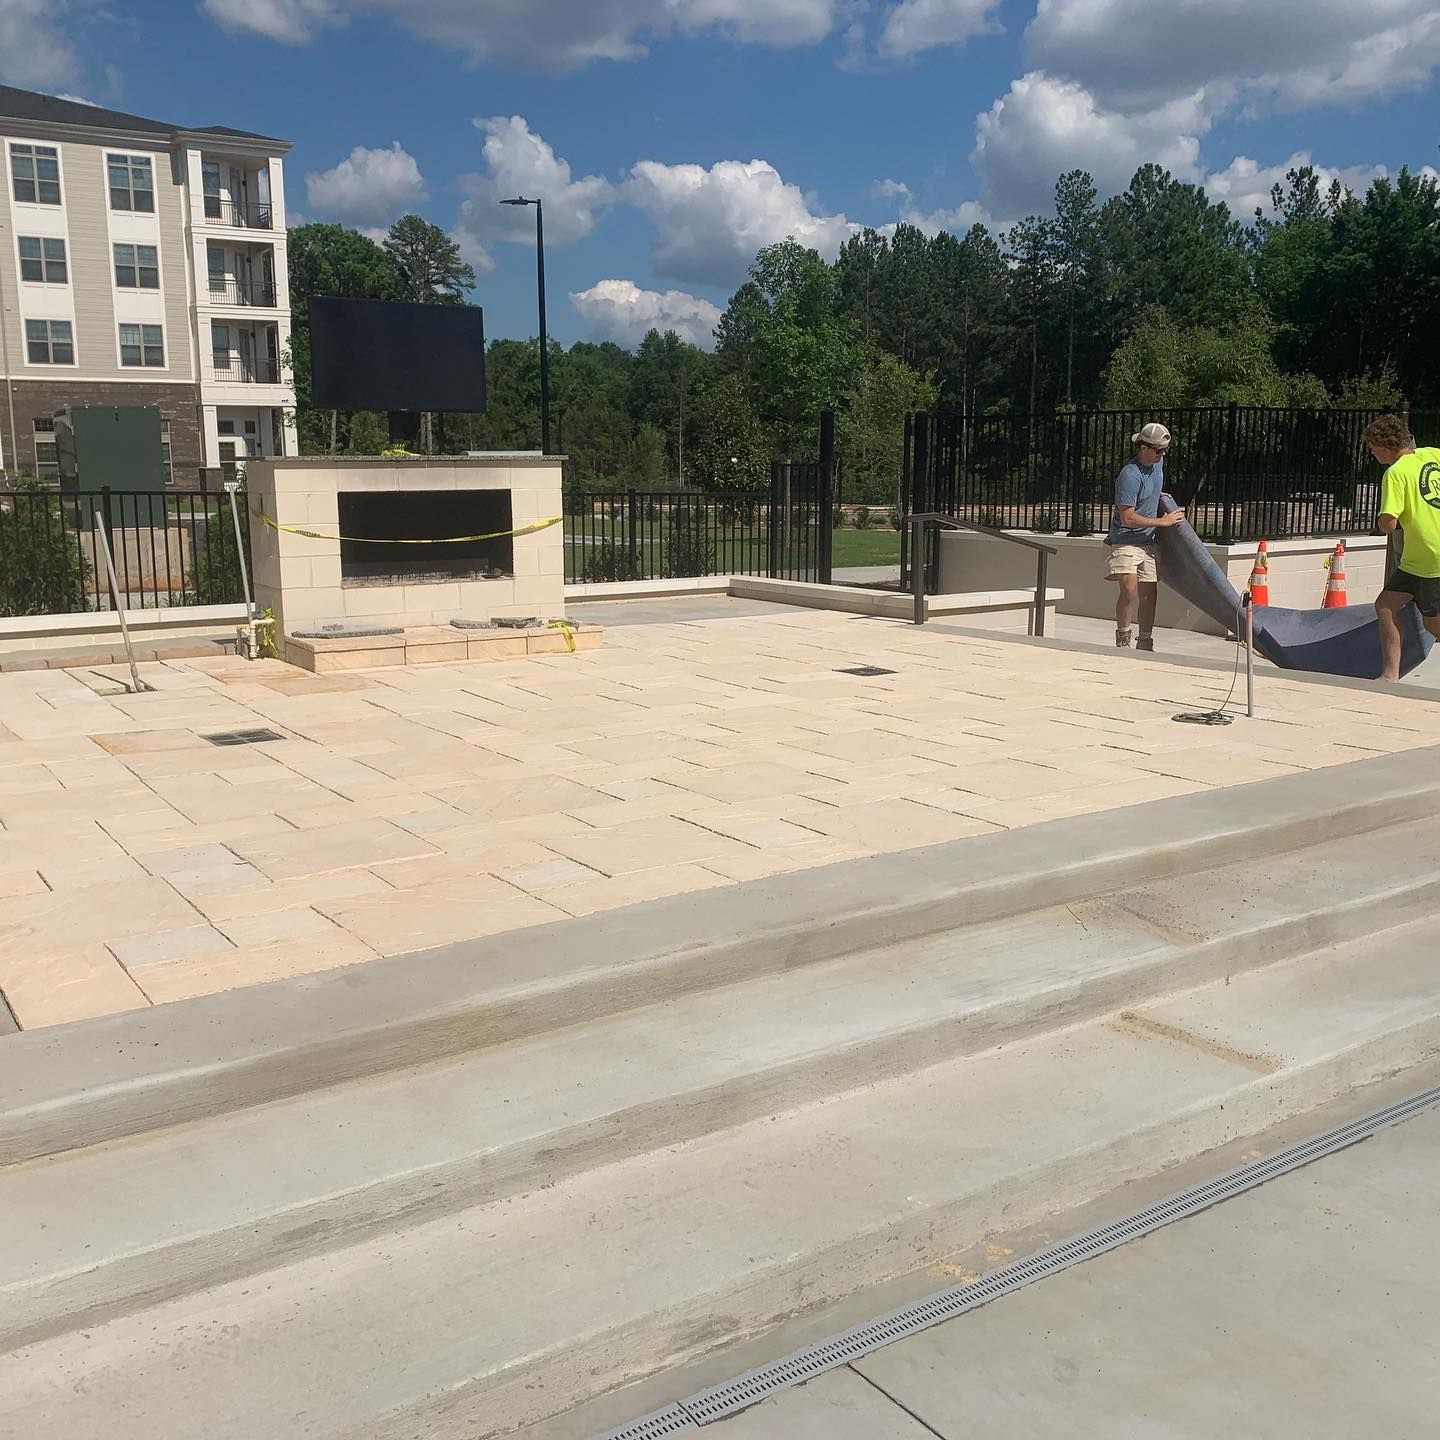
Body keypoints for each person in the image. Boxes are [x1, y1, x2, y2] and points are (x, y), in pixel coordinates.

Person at [1364, 414, 1440, 681]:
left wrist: (1381, 520)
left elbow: (1388, 523)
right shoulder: (1432, 455)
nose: (1371, 452)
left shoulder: (1394, 473)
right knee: (1385, 605)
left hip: (1429, 558)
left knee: (1432, 623)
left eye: (1372, 446)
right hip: (1416, 558)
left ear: (1385, 446)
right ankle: (1389, 674)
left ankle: (1390, 674)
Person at [1105, 421, 1185, 650]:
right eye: (1158, 450)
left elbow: (1148, 488)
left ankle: (1145, 640)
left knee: (1149, 592)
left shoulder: (1158, 464)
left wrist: (1158, 495)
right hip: (1125, 539)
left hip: (1147, 541)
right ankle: (1123, 638)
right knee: (1129, 588)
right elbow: (1128, 518)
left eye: (1164, 450)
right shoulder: (1129, 475)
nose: (1162, 454)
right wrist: (1163, 521)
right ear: (1143, 447)